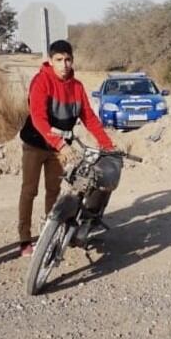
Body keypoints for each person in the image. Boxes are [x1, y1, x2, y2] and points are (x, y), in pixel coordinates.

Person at [17, 40, 114, 256]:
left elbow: (89, 118)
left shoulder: (77, 87)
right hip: (35, 144)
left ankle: (48, 235)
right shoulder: (41, 82)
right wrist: (61, 144)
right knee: (29, 191)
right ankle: (24, 239)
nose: (64, 65)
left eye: (68, 59)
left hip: (59, 149)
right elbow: (39, 120)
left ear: (73, 60)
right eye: (59, 60)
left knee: (54, 192)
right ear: (51, 61)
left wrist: (107, 144)